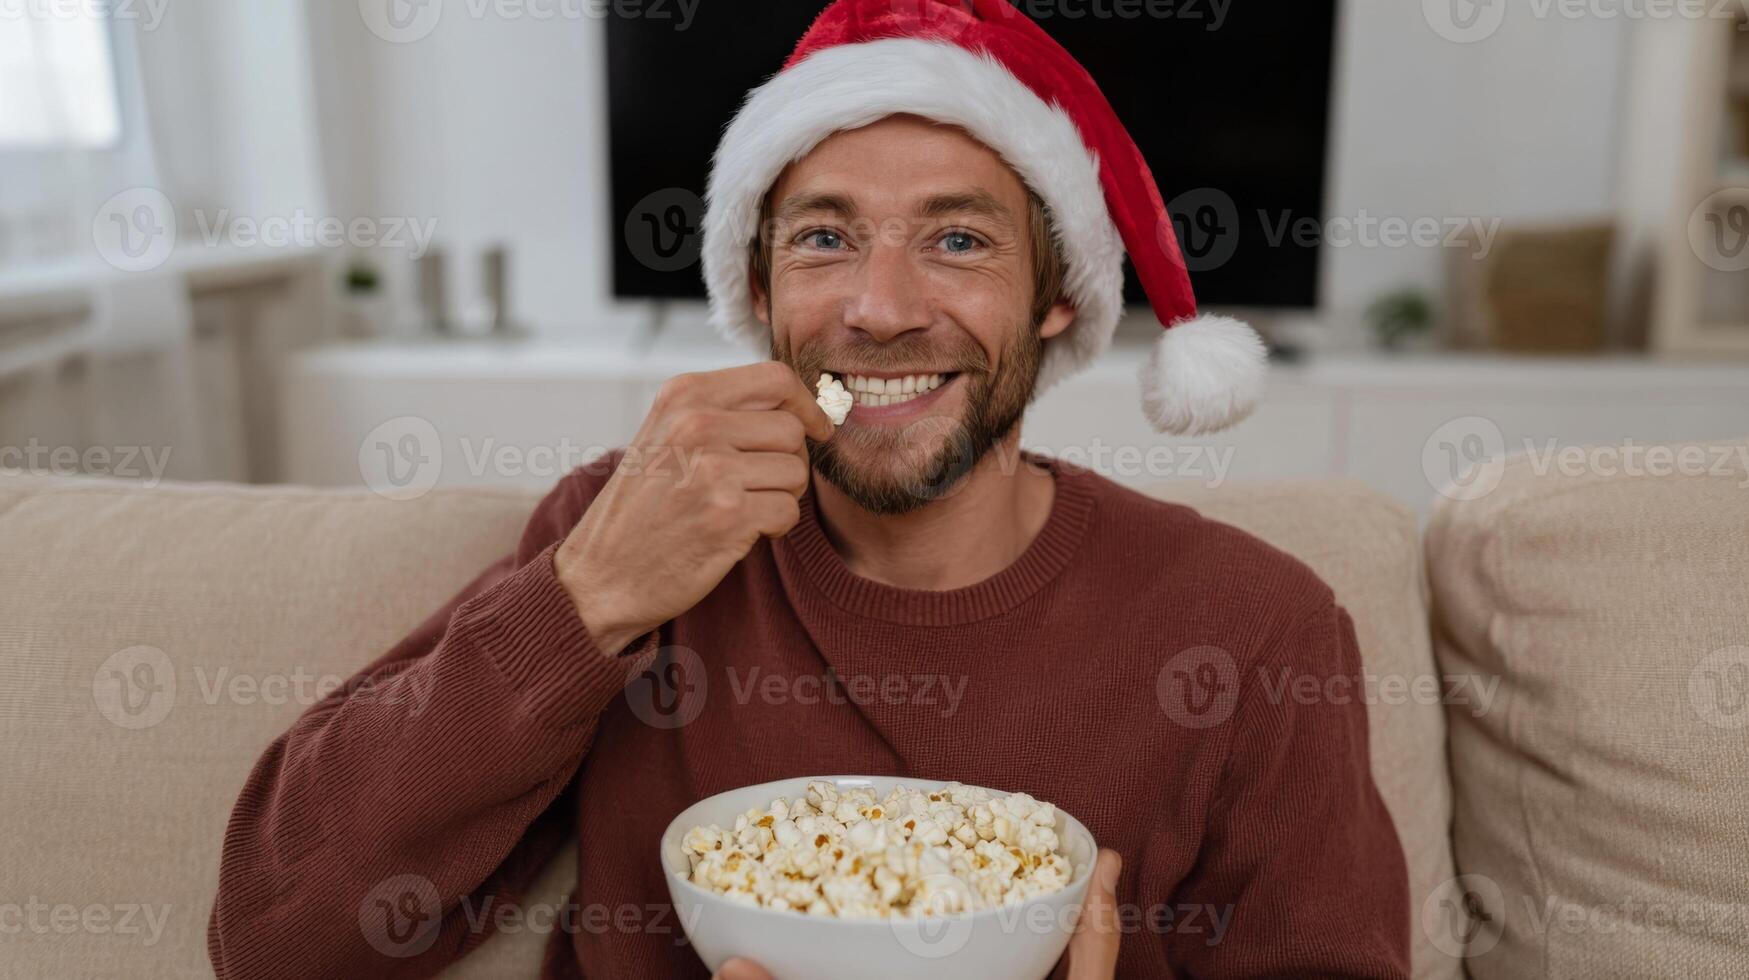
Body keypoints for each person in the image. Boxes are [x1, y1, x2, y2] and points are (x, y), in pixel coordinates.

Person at [209, 2, 1410, 977]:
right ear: (760, 291)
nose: (880, 309)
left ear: (1058, 297)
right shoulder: (620, 537)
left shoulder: (1254, 624)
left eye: (958, 240)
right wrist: (586, 599)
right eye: (824, 239)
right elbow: (275, 938)